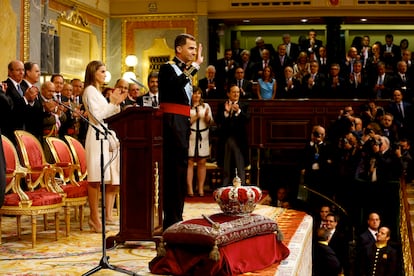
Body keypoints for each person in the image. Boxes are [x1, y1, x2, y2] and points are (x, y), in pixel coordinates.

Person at [158, 33, 204, 229]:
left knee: (180, 170)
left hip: (183, 121)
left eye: (195, 49)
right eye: (191, 48)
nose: (194, 52)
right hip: (171, 121)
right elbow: (175, 87)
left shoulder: (185, 69)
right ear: (179, 49)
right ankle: (171, 218)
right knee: (173, 171)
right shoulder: (167, 68)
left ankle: (177, 215)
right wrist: (195, 68)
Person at [82, 60, 127, 232]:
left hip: (103, 135)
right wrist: (112, 103)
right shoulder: (89, 91)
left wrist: (116, 103)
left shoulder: (98, 92)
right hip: (95, 137)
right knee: (94, 179)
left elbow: (109, 115)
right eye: (102, 71)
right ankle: (94, 217)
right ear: (93, 72)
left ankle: (96, 217)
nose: (105, 74)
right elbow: (97, 117)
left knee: (100, 179)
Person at [216, 84, 250, 186]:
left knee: (239, 162)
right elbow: (217, 120)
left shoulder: (244, 105)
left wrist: (238, 111)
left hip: (239, 140)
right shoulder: (222, 105)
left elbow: (247, 119)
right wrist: (226, 112)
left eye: (238, 92)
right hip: (225, 139)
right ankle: (225, 185)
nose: (236, 94)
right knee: (226, 163)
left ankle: (241, 185)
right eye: (234, 92)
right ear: (228, 94)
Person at [3, 60, 40, 142]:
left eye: (23, 70)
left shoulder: (24, 88)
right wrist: (25, 99)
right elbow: (10, 109)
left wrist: (31, 101)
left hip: (25, 133)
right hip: (10, 133)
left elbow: (29, 111)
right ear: (10, 71)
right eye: (18, 70)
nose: (21, 72)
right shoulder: (5, 86)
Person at [187, 87, 213, 197]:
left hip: (203, 136)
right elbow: (185, 123)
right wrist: (196, 116)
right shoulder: (187, 107)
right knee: (190, 162)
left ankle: (201, 189)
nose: (197, 95)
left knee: (202, 162)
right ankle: (190, 189)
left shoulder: (206, 106)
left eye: (199, 93)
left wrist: (206, 117)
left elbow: (210, 122)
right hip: (191, 136)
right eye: (195, 93)